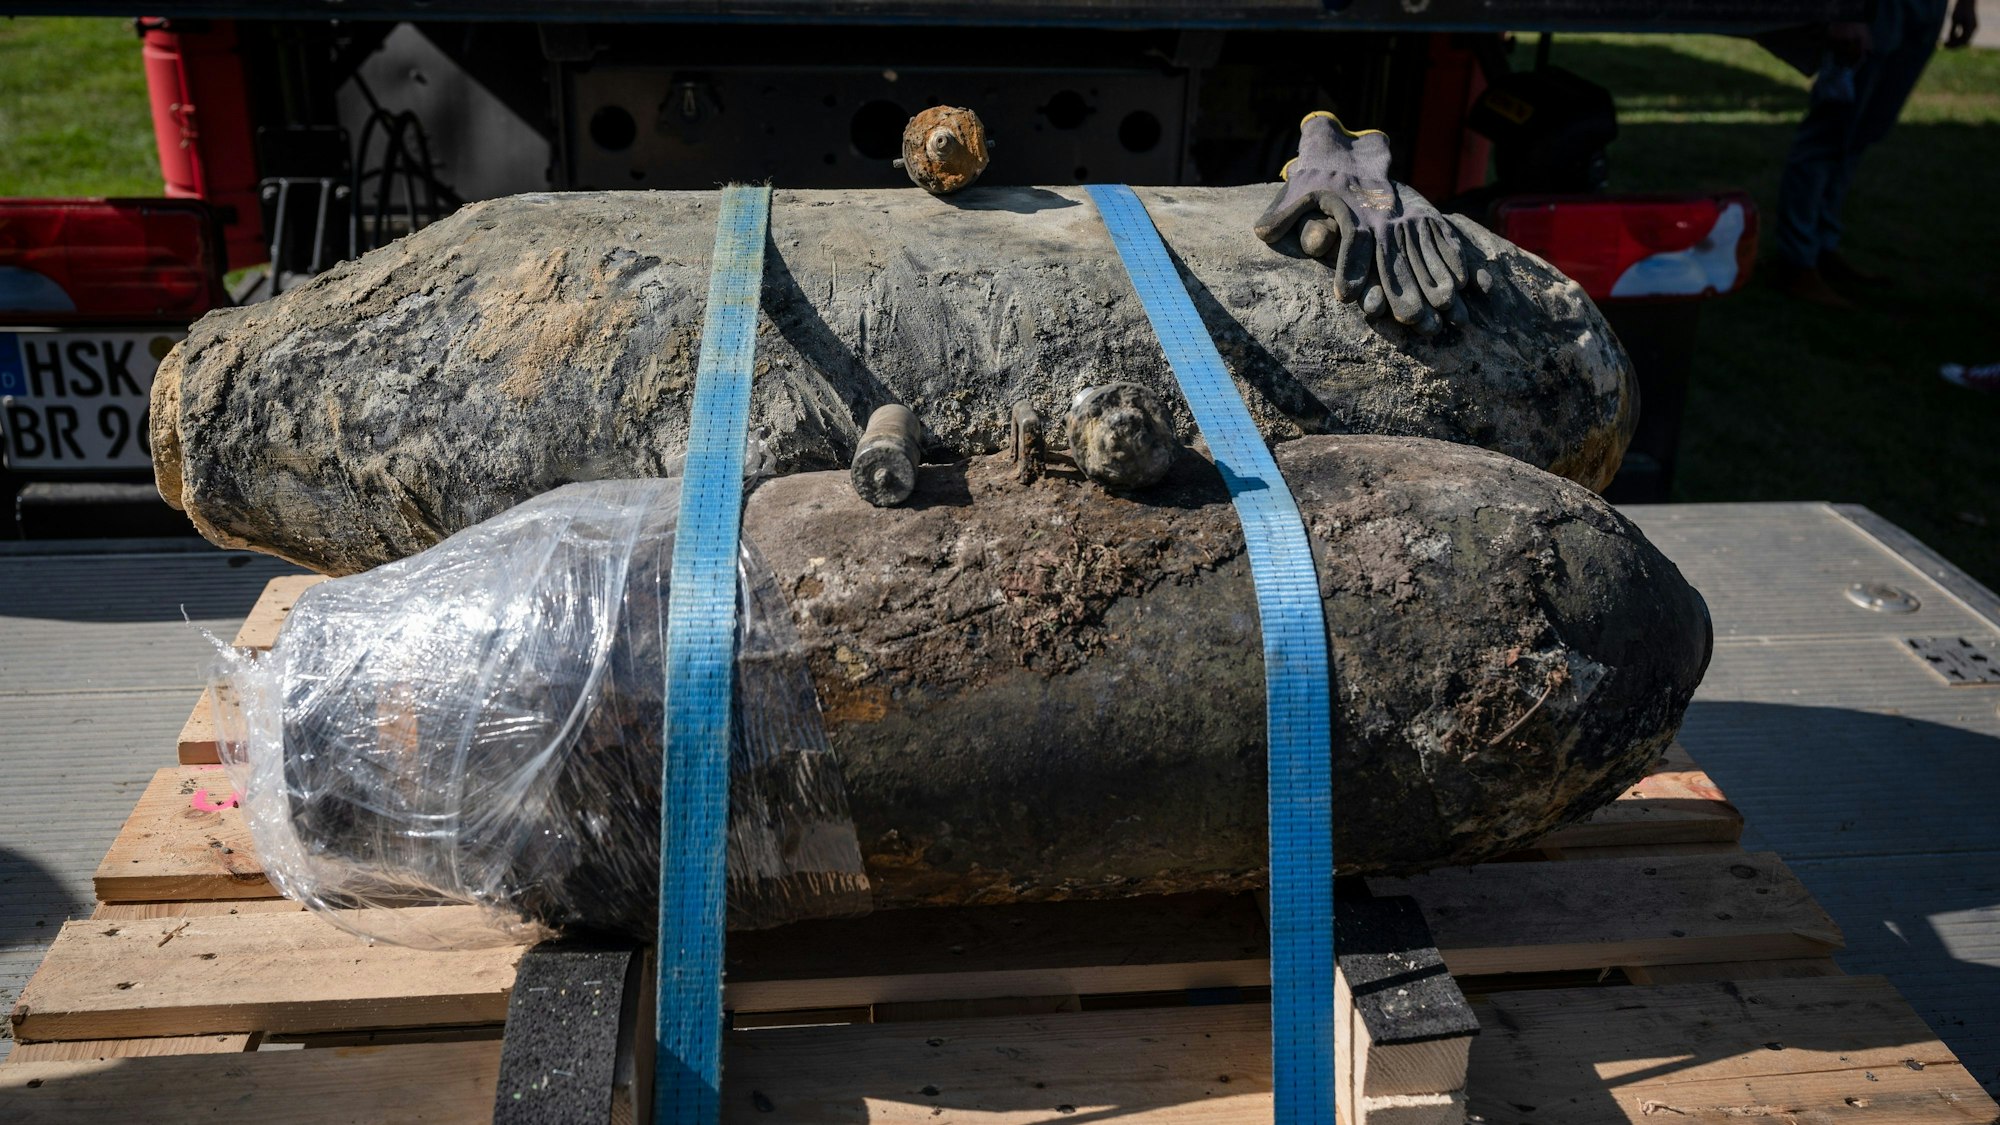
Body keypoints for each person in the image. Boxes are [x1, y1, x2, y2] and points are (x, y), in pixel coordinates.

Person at [1775, 0, 1979, 307]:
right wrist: (1846, 14)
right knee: (1831, 130)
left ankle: (1822, 246)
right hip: (1876, 8)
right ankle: (1796, 261)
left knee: (1865, 130)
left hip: (1926, 9)